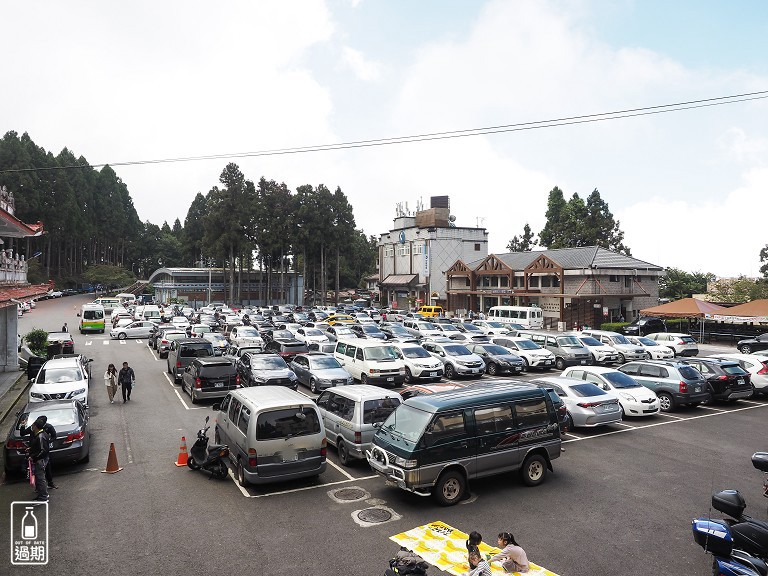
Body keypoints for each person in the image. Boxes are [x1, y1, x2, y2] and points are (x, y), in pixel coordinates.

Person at [20, 415, 58, 489]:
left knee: (46, 468)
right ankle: (39, 487)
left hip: (42, 452)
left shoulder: (47, 428)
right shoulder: (33, 427)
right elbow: (23, 433)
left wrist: (47, 442)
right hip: (34, 451)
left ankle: (49, 484)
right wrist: (23, 425)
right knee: (35, 470)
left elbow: (54, 436)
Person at [27, 418, 50, 501]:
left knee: (40, 479)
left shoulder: (40, 436)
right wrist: (31, 449)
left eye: (33, 425)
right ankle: (42, 495)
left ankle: (43, 497)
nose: (31, 427)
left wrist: (33, 457)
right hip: (40, 459)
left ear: (36, 426)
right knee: (39, 478)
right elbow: (39, 447)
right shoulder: (40, 434)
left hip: (40, 460)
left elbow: (43, 451)